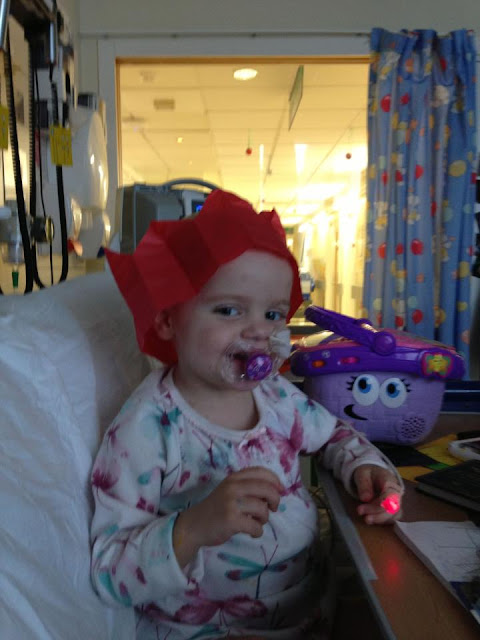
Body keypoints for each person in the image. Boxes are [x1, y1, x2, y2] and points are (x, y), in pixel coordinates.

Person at [90, 189, 404, 640]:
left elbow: (333, 435)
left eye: (273, 313)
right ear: (166, 319)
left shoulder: (277, 397)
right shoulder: (146, 429)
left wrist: (367, 466)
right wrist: (191, 528)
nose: (259, 331)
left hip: (310, 610)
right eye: (229, 309)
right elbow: (108, 572)